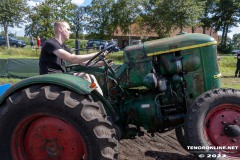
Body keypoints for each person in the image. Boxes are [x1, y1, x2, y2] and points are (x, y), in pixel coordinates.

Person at [39, 20, 111, 95]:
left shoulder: (64, 47)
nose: (70, 32)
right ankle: (95, 98)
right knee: (85, 76)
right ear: (60, 29)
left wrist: (102, 63)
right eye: (68, 29)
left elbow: (83, 63)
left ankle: (98, 98)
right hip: (51, 76)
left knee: (91, 77)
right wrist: (98, 54)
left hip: (61, 75)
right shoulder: (50, 43)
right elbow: (73, 59)